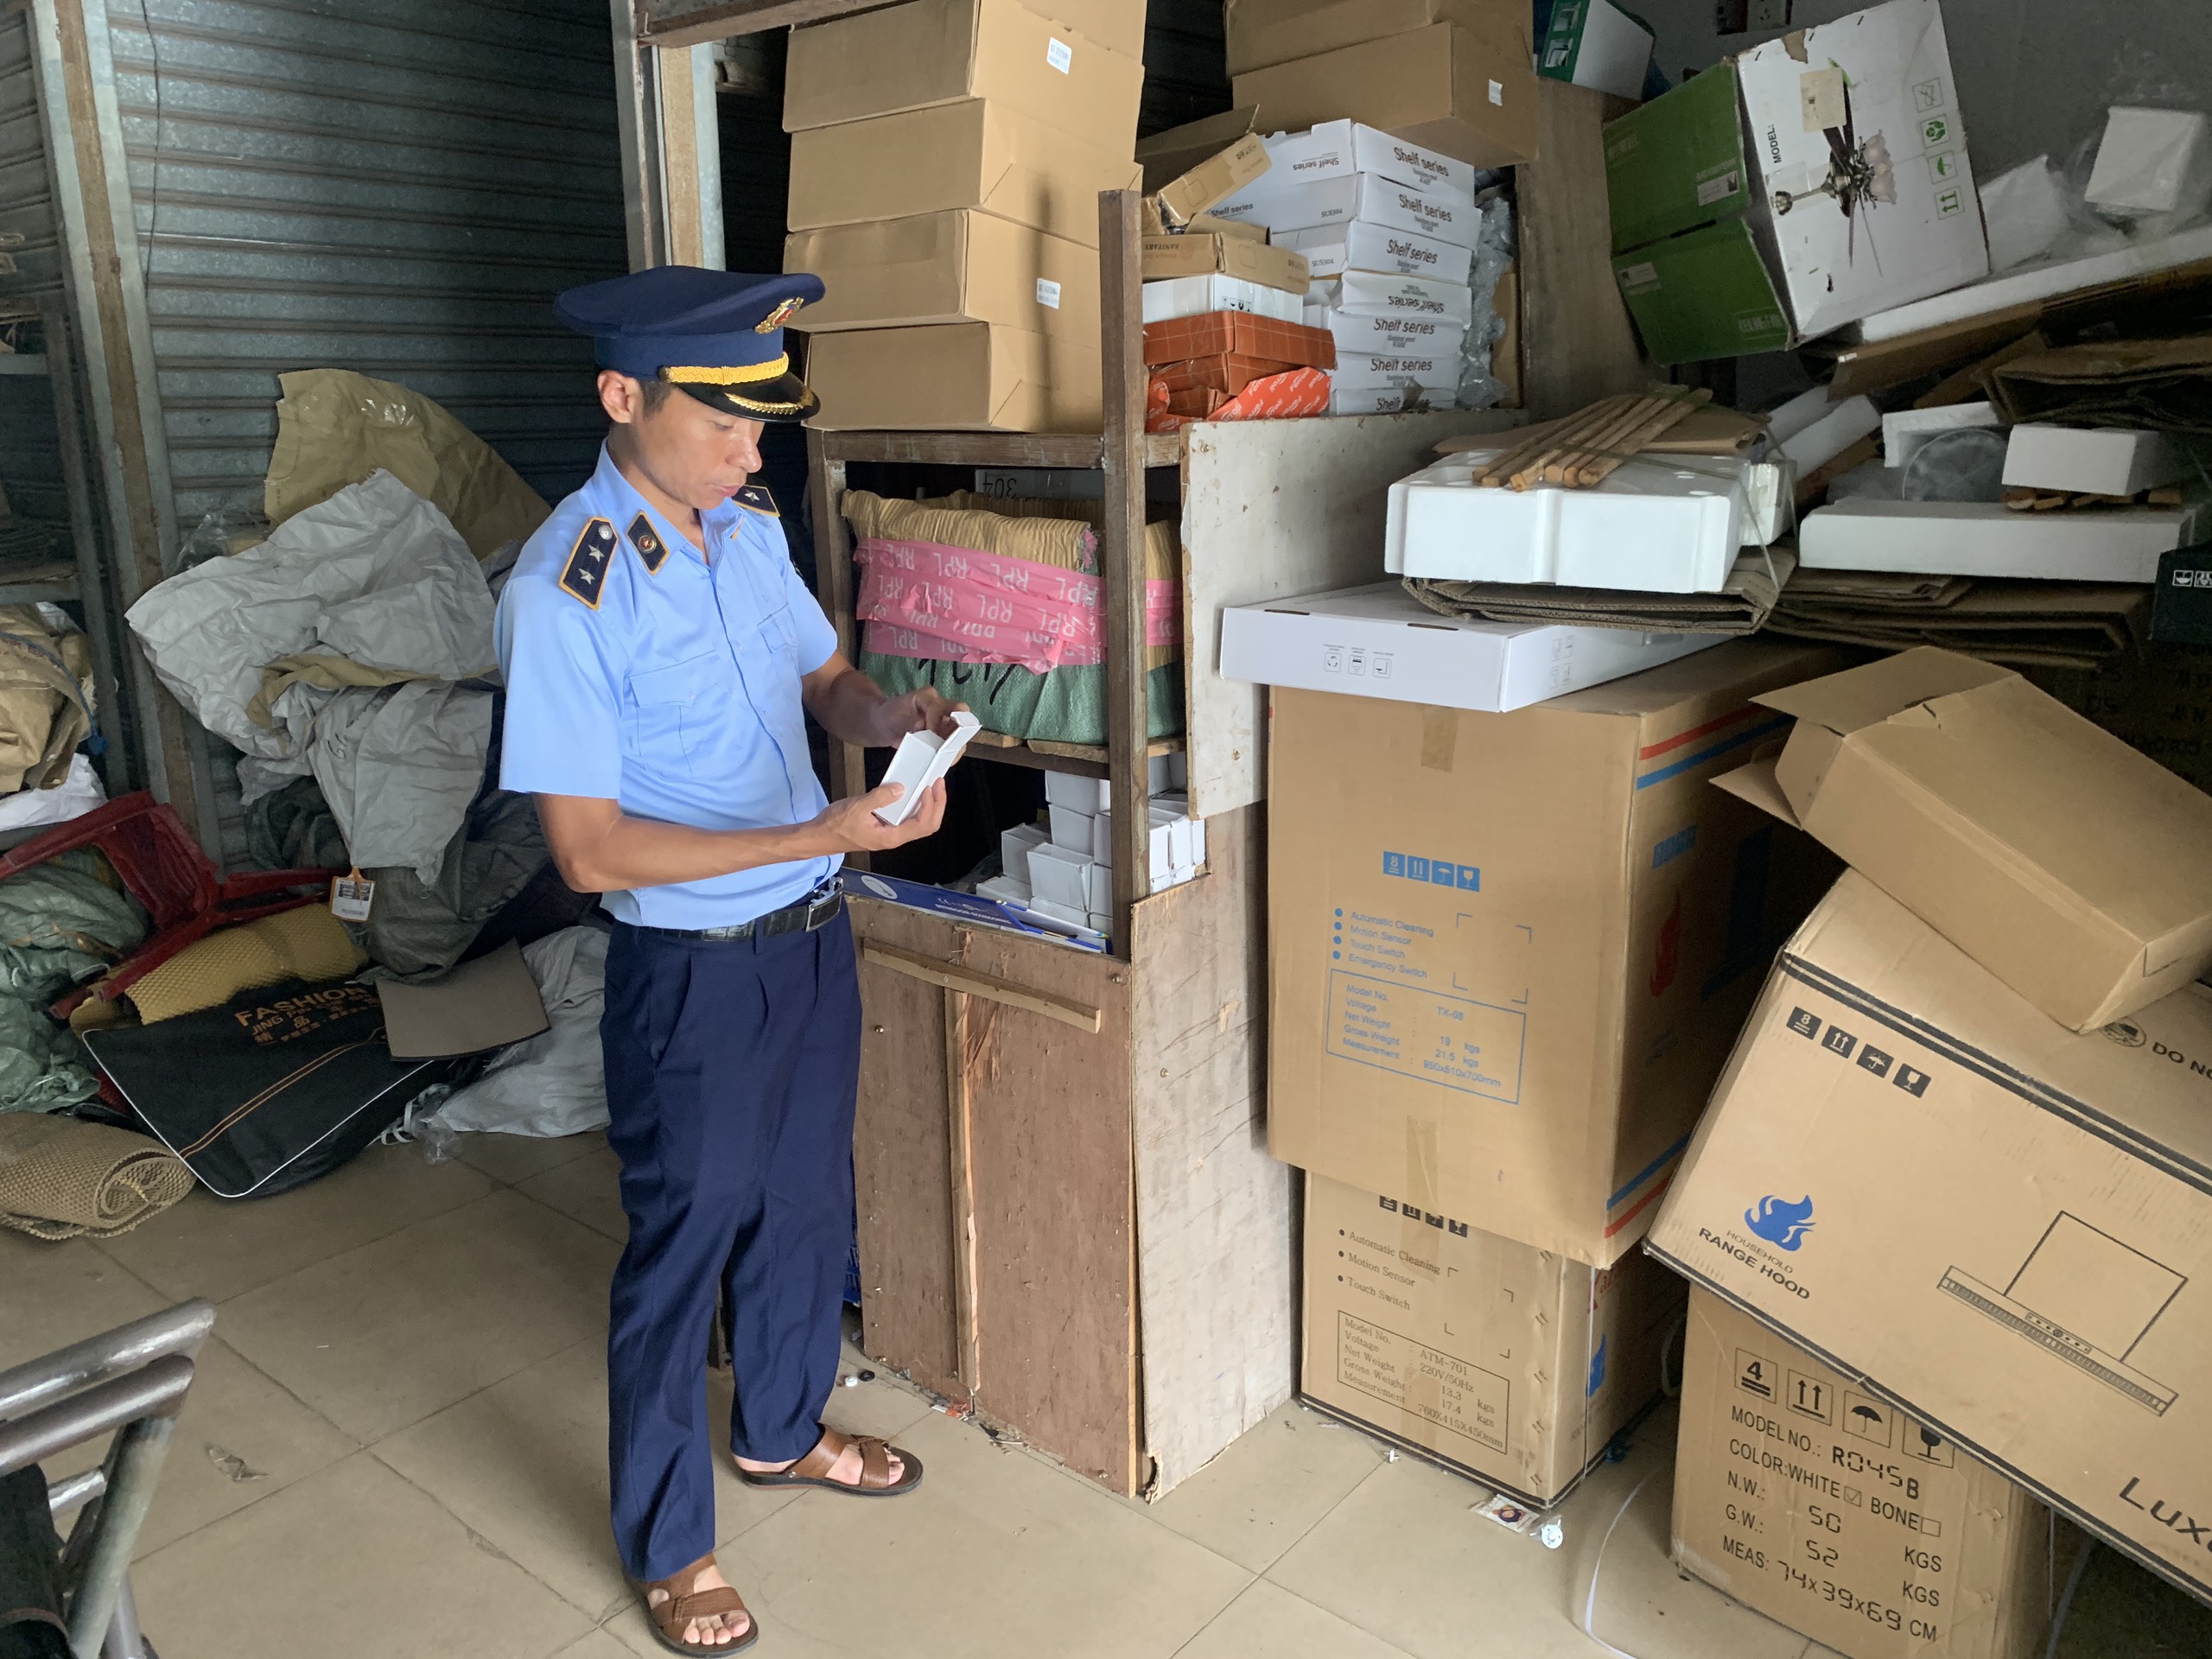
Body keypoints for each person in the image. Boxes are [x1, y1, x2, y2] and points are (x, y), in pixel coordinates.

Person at [494, 265, 960, 1655]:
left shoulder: (745, 528)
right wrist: (822, 827)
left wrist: (891, 718)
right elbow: (587, 851)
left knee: (805, 1202)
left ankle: (780, 1430)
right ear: (620, 398)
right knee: (683, 1243)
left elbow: (822, 681)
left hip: (812, 938)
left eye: (762, 425)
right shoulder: (567, 591)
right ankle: (671, 1543)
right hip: (691, 976)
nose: (752, 454)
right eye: (723, 424)